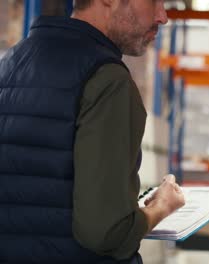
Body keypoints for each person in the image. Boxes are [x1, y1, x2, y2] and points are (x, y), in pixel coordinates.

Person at [0, 0, 185, 263]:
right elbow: (106, 232)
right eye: (153, 2)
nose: (163, 16)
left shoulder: (12, 62)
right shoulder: (107, 80)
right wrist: (161, 207)